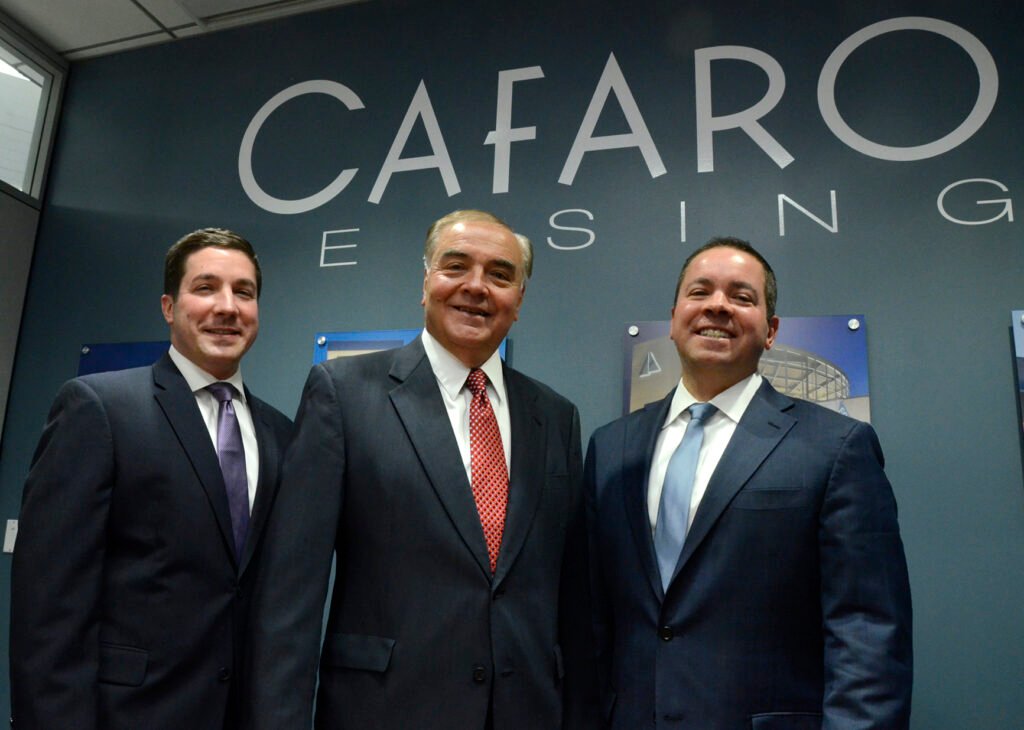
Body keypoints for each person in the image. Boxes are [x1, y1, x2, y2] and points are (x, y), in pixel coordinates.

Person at [247, 210, 594, 729]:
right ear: (426, 281)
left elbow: (572, 598)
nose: (476, 286)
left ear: (519, 300)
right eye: (456, 266)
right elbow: (290, 593)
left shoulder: (556, 416)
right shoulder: (344, 394)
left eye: (500, 275)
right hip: (384, 711)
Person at [585, 237, 913, 729]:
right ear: (674, 319)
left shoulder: (837, 447)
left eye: (741, 296)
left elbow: (867, 629)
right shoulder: (611, 447)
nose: (717, 306)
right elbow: (592, 620)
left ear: (771, 330)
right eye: (700, 292)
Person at [9, 228, 294, 730]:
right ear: (168, 306)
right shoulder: (99, 408)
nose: (227, 307)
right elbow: (49, 606)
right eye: (205, 288)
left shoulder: (281, 434)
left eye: (244, 292)